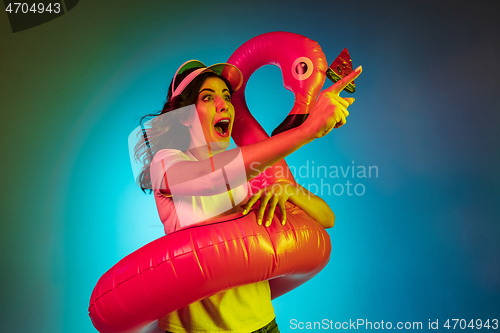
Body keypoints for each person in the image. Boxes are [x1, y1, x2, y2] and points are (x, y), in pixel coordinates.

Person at [134, 60, 362, 333]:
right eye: (208, 97)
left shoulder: (246, 174)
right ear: (184, 115)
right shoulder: (167, 162)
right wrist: (306, 130)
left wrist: (287, 189)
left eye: (227, 97)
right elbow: (208, 178)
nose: (224, 104)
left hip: (262, 323)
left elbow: (327, 219)